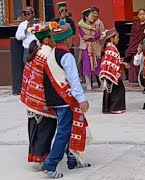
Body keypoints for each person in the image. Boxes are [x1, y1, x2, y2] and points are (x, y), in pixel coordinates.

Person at [42, 23, 90, 179]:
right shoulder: (67, 56)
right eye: (72, 37)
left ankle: (72, 159)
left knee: (69, 130)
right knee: (64, 132)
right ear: (68, 38)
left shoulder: (51, 54)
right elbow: (73, 80)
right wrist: (82, 99)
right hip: (65, 100)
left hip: (54, 99)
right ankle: (51, 163)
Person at [20, 23, 57, 171]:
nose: (55, 39)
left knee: (35, 128)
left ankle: (36, 156)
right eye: (52, 37)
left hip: (32, 98)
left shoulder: (37, 51)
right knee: (46, 129)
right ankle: (42, 157)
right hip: (43, 100)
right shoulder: (48, 54)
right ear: (47, 40)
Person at [100, 28, 129, 114]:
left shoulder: (109, 47)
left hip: (109, 72)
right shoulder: (111, 48)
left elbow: (114, 60)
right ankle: (115, 107)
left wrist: (122, 63)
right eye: (117, 37)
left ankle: (107, 108)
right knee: (118, 90)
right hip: (112, 73)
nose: (118, 39)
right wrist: (122, 63)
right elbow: (114, 60)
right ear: (112, 38)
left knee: (109, 90)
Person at [78, 7, 105, 88]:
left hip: (96, 47)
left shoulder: (95, 25)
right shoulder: (81, 27)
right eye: (91, 15)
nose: (93, 17)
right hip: (86, 48)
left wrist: (91, 36)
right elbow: (84, 36)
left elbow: (98, 35)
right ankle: (88, 84)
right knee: (87, 65)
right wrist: (93, 36)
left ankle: (101, 82)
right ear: (86, 17)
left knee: (98, 65)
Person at [125, 9, 145, 83]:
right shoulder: (135, 24)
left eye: (143, 14)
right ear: (138, 16)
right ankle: (134, 78)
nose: (142, 16)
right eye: (140, 14)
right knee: (133, 57)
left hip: (143, 45)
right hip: (134, 43)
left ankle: (142, 77)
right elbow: (133, 36)